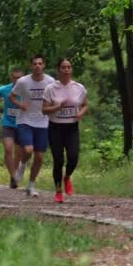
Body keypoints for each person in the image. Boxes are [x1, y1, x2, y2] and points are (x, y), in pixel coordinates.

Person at [42, 57, 88, 203]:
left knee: (73, 158)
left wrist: (81, 113)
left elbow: (85, 104)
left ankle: (67, 177)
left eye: (69, 67)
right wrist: (57, 107)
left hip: (72, 127)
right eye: (63, 67)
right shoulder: (51, 88)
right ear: (59, 70)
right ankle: (58, 190)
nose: (66, 70)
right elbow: (44, 110)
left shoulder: (79, 87)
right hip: (55, 127)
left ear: (71, 69)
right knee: (58, 160)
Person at [9, 54, 55, 197]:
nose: (37, 66)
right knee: (28, 150)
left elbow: (54, 98)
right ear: (31, 66)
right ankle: (22, 166)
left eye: (40, 63)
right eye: (35, 63)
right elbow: (12, 96)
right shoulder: (23, 81)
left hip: (43, 121)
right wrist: (20, 105)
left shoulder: (50, 81)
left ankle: (31, 185)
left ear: (44, 65)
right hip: (25, 120)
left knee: (39, 157)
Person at [0, 67, 25, 188]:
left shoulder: (27, 91)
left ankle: (15, 175)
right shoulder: (5, 89)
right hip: (8, 123)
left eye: (20, 78)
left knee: (19, 154)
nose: (17, 80)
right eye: (15, 78)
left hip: (22, 124)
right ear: (11, 78)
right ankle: (12, 176)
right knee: (8, 148)